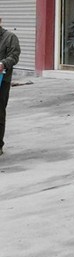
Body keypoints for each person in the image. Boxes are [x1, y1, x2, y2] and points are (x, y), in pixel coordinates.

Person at [0, 17, 21, 157]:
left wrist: (3, 63)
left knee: (0, 112)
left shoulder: (10, 37)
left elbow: (14, 55)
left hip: (2, 81)